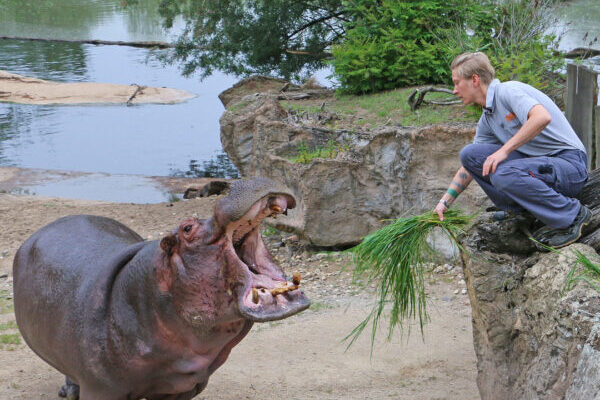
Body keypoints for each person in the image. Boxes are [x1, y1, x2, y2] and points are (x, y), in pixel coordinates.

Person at [434, 52, 590, 248]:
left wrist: (504, 150)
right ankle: (521, 212)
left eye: (457, 83)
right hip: (540, 167)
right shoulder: (488, 117)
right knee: (469, 155)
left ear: (474, 79)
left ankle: (574, 216)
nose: (454, 90)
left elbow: (541, 118)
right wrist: (445, 202)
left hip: (569, 166)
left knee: (503, 174)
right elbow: (470, 165)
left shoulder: (508, 91)